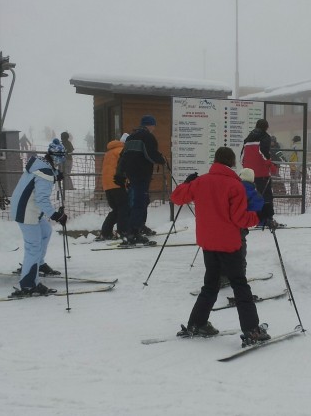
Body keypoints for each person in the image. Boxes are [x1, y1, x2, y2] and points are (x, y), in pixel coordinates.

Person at [171, 147, 270, 344]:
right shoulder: (235, 186)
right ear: (233, 163)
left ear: (215, 160)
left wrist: (187, 182)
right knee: (240, 285)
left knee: (210, 285)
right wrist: (259, 216)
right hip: (229, 244)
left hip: (208, 243)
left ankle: (196, 323)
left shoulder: (201, 181)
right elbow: (240, 219)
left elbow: (177, 197)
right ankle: (252, 330)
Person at [9, 138, 68, 297]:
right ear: (55, 157)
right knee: (33, 247)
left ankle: (38, 264)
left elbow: (42, 175)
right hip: (27, 212)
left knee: (45, 231)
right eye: (61, 158)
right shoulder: (46, 172)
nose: (61, 161)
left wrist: (55, 175)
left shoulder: (41, 163)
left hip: (27, 209)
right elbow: (42, 198)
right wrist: (56, 215)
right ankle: (28, 284)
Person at [115, 115, 165, 244]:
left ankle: (133, 230)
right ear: (150, 125)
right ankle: (134, 233)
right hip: (142, 173)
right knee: (140, 202)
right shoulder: (147, 137)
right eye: (153, 125)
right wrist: (161, 159)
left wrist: (120, 173)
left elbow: (123, 157)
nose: (154, 128)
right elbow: (150, 154)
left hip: (131, 175)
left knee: (139, 201)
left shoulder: (131, 137)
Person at [241, 119, 277, 222]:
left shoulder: (247, 139)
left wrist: (247, 168)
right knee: (266, 196)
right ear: (266, 127)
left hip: (249, 175)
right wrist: (271, 166)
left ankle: (254, 219)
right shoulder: (265, 137)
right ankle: (267, 219)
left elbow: (242, 157)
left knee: (252, 196)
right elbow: (264, 152)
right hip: (262, 173)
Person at [97, 133, 130, 241]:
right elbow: (124, 167)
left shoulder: (109, 152)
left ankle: (106, 232)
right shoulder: (122, 151)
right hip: (117, 183)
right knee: (124, 208)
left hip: (107, 185)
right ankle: (122, 232)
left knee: (116, 209)